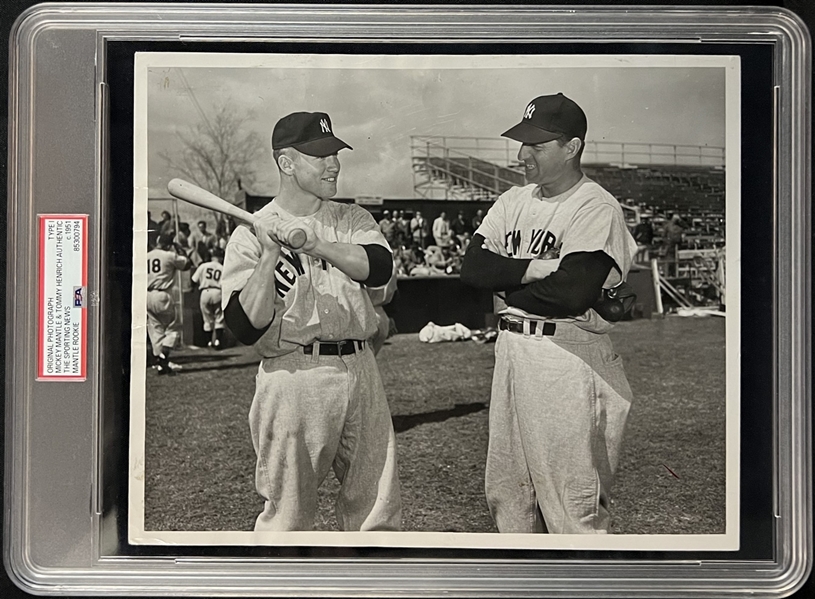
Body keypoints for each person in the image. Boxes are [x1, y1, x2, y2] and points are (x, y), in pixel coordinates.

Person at [460, 92, 638, 534]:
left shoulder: (594, 206)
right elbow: (472, 269)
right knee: (508, 496)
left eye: (537, 147)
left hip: (567, 356)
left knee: (571, 505)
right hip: (514, 352)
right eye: (523, 144)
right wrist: (536, 271)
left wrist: (505, 285)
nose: (523, 155)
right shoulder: (512, 201)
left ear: (572, 147)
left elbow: (572, 293)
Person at [220, 111, 401, 532]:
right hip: (292, 375)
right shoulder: (249, 235)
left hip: (360, 368)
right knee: (288, 517)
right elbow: (246, 327)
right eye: (319, 155)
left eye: (335, 153)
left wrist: (316, 242)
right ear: (286, 162)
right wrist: (268, 257)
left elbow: (379, 266)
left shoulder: (352, 219)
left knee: (378, 511)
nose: (333, 163)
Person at [146, 233, 191, 375]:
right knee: (174, 326)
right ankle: (163, 356)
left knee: (156, 329)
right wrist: (179, 249)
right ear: (168, 245)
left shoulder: (146, 255)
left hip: (146, 294)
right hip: (162, 294)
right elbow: (187, 264)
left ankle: (160, 364)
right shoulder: (169, 255)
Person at [191, 248, 226, 349]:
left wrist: (194, 289)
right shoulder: (222, 267)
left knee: (207, 319)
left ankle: (209, 342)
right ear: (220, 257)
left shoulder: (203, 266)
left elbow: (193, 280)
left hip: (205, 291)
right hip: (217, 291)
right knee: (219, 317)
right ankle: (218, 341)